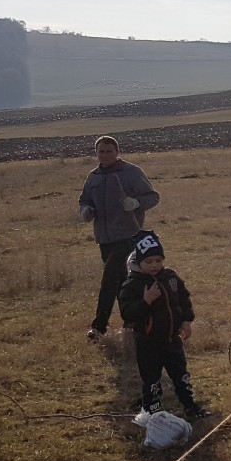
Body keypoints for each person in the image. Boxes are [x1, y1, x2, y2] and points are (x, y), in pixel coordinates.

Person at [117, 230, 208, 420]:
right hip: (148, 342)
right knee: (151, 379)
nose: (154, 265)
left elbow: (183, 299)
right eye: (148, 261)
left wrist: (186, 320)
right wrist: (146, 301)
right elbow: (127, 314)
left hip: (172, 339)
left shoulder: (171, 277)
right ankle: (152, 412)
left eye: (158, 260)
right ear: (138, 262)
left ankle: (190, 406)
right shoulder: (132, 284)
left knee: (181, 375)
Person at [78, 136, 159, 339]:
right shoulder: (93, 176)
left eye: (109, 151)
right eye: (101, 151)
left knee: (109, 278)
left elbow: (153, 197)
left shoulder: (131, 172)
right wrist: (86, 210)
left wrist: (136, 203)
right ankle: (132, 322)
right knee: (123, 282)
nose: (105, 155)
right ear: (96, 153)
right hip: (104, 237)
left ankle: (98, 327)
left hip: (128, 235)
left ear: (117, 152)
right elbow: (84, 200)